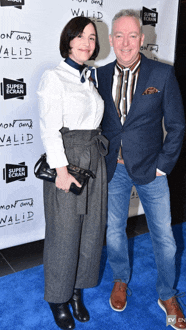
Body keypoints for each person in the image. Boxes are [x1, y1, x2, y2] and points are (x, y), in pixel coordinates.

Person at [97, 10, 186, 330]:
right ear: (110, 40)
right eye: (119, 36)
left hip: (152, 169)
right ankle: (120, 279)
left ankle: (167, 294)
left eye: (132, 35)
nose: (125, 42)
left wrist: (164, 165)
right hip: (114, 169)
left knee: (165, 238)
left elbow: (176, 125)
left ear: (142, 39)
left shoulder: (161, 75)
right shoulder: (100, 75)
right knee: (113, 232)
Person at [37, 17, 108, 330]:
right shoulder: (54, 77)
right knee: (64, 233)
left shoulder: (88, 79)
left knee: (91, 232)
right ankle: (58, 297)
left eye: (92, 37)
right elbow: (50, 130)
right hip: (68, 161)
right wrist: (61, 172)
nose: (87, 42)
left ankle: (77, 291)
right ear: (68, 40)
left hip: (95, 161)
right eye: (80, 36)